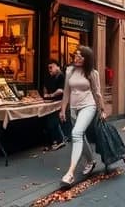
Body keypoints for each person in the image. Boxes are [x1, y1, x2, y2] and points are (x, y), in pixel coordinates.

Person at [58, 46, 105, 188]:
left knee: (76, 133)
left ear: (87, 58)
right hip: (73, 108)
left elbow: (97, 93)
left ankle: (70, 173)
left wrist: (102, 109)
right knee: (80, 136)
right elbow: (66, 91)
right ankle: (90, 161)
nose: (76, 58)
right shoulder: (69, 71)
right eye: (76, 55)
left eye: (80, 56)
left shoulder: (92, 73)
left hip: (88, 106)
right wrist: (62, 109)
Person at [42, 61, 70, 150]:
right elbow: (45, 87)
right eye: (48, 68)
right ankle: (55, 140)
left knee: (54, 120)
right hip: (51, 102)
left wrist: (50, 95)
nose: (49, 69)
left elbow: (61, 90)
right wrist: (45, 94)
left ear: (57, 67)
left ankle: (60, 139)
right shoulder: (50, 76)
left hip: (60, 102)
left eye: (51, 67)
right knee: (51, 120)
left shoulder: (61, 76)